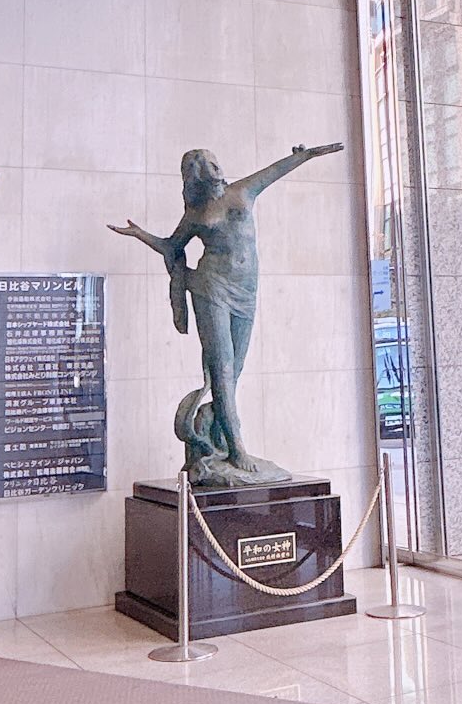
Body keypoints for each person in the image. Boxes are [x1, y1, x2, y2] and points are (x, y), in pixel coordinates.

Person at [109, 142, 343, 484]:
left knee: (235, 372)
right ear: (197, 176)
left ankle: (211, 431)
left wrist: (303, 156)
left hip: (246, 290)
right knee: (222, 367)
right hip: (211, 289)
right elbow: (172, 247)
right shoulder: (197, 213)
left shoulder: (243, 190)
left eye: (215, 162)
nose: (216, 169)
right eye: (207, 166)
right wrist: (139, 233)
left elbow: (275, 171)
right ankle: (236, 448)